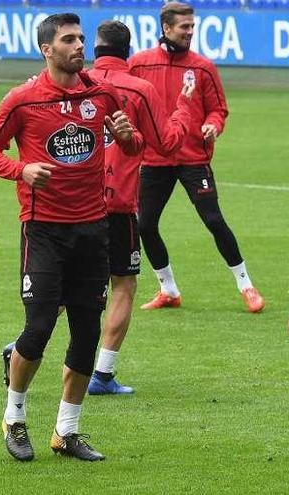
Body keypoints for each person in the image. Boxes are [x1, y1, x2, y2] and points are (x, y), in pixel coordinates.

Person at [0, 13, 141, 462]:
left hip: (94, 228)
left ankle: (66, 431)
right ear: (46, 49)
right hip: (44, 229)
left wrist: (128, 139)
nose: (79, 46)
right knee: (38, 327)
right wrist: (21, 169)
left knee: (87, 332)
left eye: (81, 39)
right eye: (68, 40)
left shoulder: (101, 94)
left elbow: (131, 146)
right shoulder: (22, 100)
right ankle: (14, 417)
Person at [128, 1, 264, 313]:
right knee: (145, 225)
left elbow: (219, 109)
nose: (190, 32)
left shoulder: (203, 67)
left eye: (192, 26)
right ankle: (168, 289)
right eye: (184, 27)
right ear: (166, 28)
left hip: (192, 158)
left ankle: (246, 285)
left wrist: (212, 125)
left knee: (213, 220)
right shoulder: (139, 64)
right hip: (153, 159)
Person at [85, 20, 195, 395]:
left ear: (94, 48)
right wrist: (182, 109)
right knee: (124, 285)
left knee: (68, 287)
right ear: (127, 50)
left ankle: (22, 347)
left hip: (72, 205)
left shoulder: (74, 82)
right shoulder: (138, 87)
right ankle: (102, 373)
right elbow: (166, 144)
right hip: (116, 204)